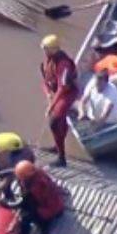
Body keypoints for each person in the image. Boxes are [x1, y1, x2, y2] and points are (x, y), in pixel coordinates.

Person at [3, 160, 64, 234]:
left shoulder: (36, 187)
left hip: (50, 209)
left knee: (25, 221)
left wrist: (7, 204)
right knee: (27, 212)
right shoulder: (37, 173)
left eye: (21, 179)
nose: (20, 181)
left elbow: (24, 202)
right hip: (49, 203)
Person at [40, 34, 78, 167]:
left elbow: (63, 88)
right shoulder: (47, 61)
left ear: (53, 49)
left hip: (67, 94)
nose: (44, 51)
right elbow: (44, 81)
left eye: (46, 48)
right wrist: (48, 94)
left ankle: (61, 158)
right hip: (56, 93)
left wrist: (51, 105)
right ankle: (57, 145)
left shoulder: (64, 64)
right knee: (58, 122)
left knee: (54, 122)